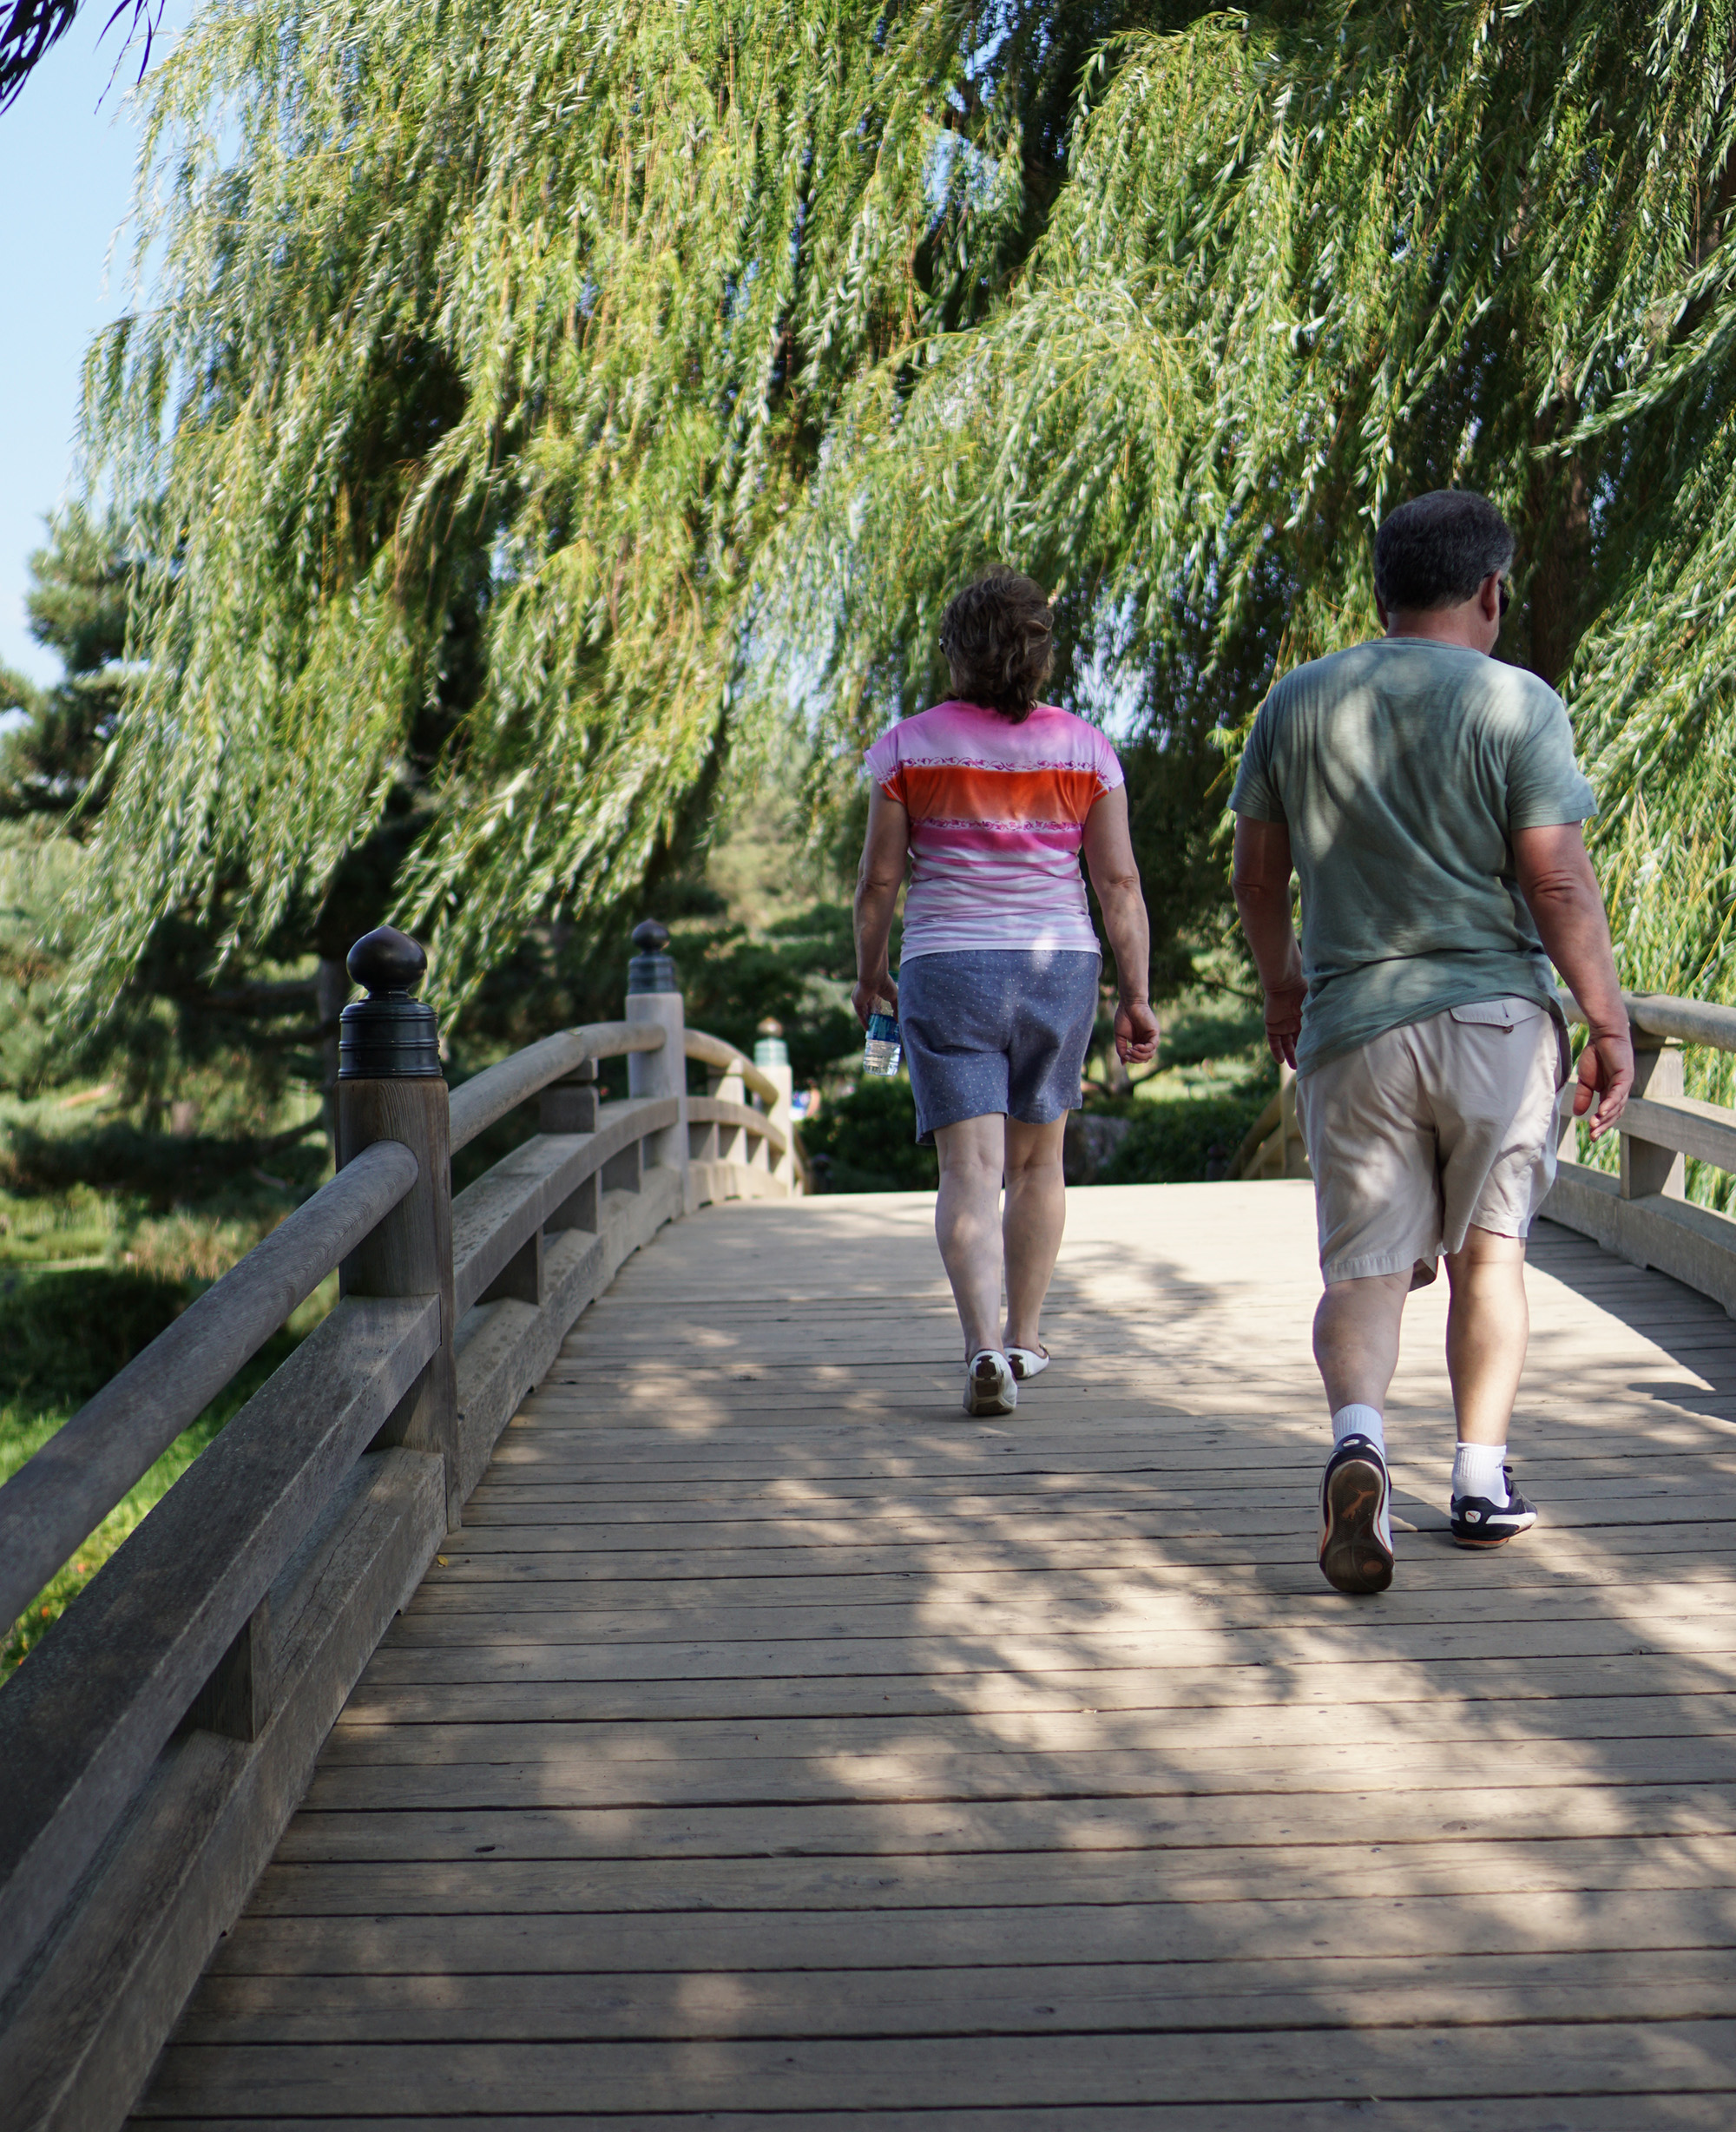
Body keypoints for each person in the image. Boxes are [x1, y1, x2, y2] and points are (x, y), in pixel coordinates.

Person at [1229, 490, 1633, 1596]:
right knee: (1487, 1254)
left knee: (1361, 1270)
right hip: (1492, 1023)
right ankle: (1476, 1476)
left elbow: (1257, 880)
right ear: (1490, 590)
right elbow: (1553, 876)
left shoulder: (1295, 702)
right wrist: (1606, 1022)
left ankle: (1358, 1441)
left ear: (1382, 590)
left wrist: (1283, 991)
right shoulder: (1517, 703)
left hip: (1353, 1026)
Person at [852, 566, 1161, 1416]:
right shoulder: (1086, 748)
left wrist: (868, 971)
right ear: (1038, 656)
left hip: (944, 965)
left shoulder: (907, 746)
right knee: (1034, 1165)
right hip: (1055, 964)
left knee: (968, 1169)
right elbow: (1120, 884)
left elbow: (879, 881)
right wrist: (1135, 992)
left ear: (955, 654)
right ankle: (1024, 1336)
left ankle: (979, 1343)